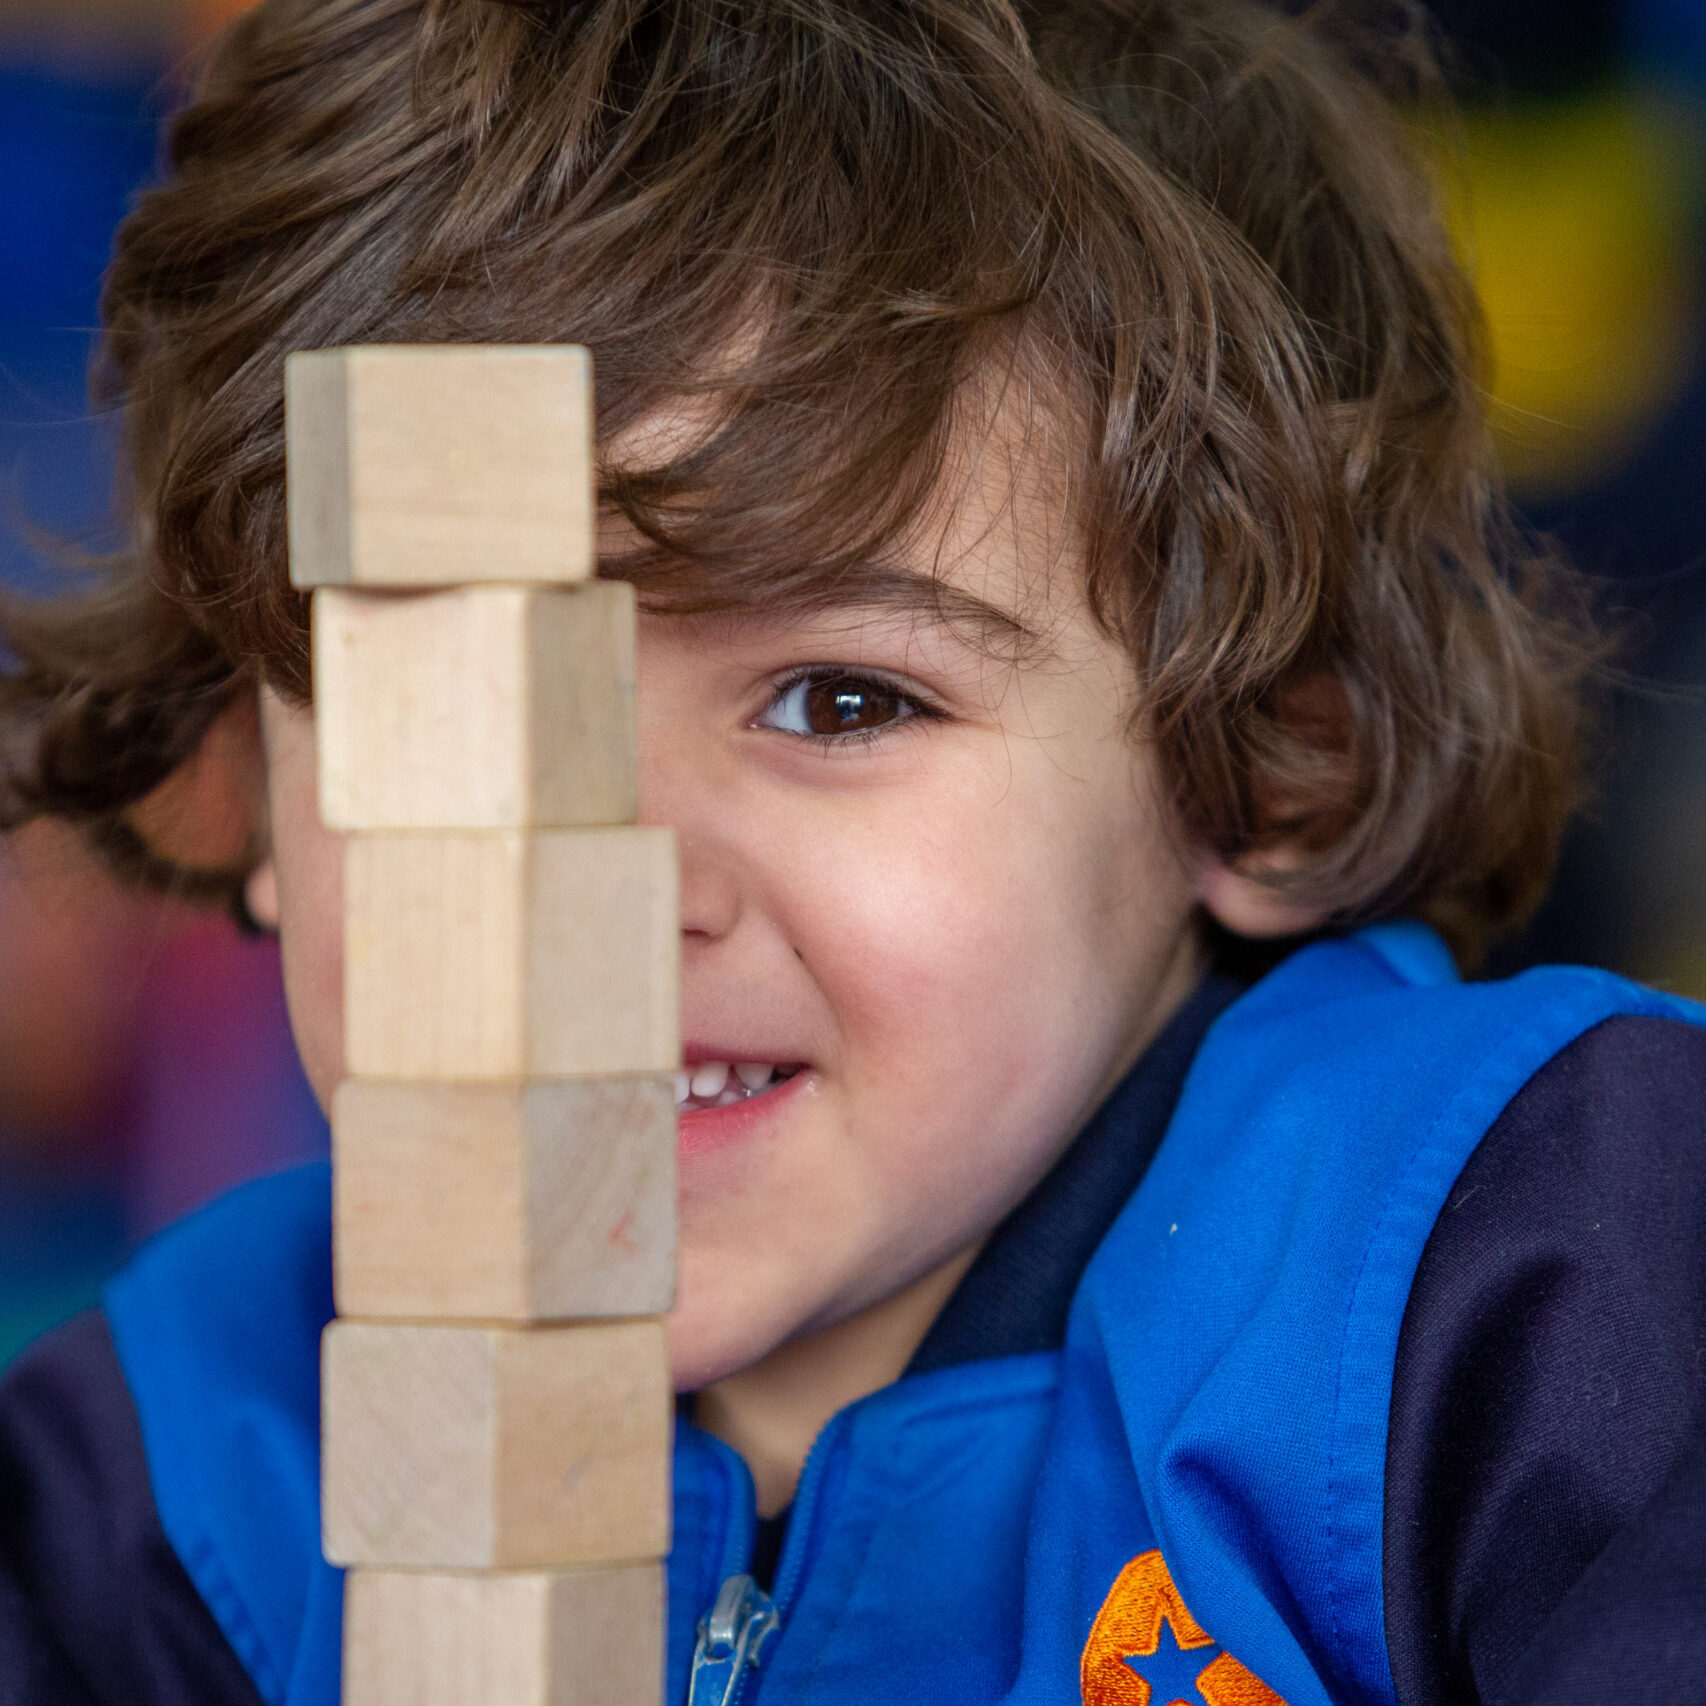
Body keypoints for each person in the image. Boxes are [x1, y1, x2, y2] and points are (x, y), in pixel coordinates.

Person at [2, 0, 1704, 1702]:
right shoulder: (162, 1476)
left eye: (835, 701)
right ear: (243, 768)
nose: (608, 883)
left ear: (1257, 766)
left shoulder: (1540, 1281)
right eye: (445, 702)